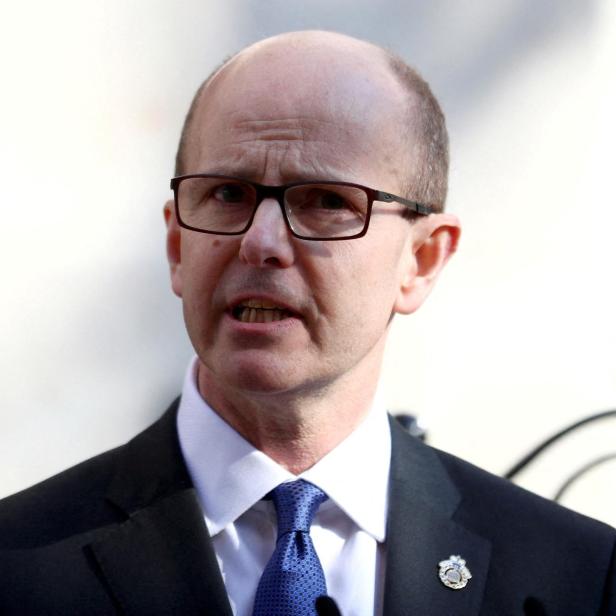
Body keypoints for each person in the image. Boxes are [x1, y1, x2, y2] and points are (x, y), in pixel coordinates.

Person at [0, 30, 614, 616]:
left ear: (421, 260)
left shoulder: (576, 578)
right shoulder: (19, 566)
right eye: (228, 194)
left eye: (327, 201)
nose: (260, 243)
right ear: (176, 245)